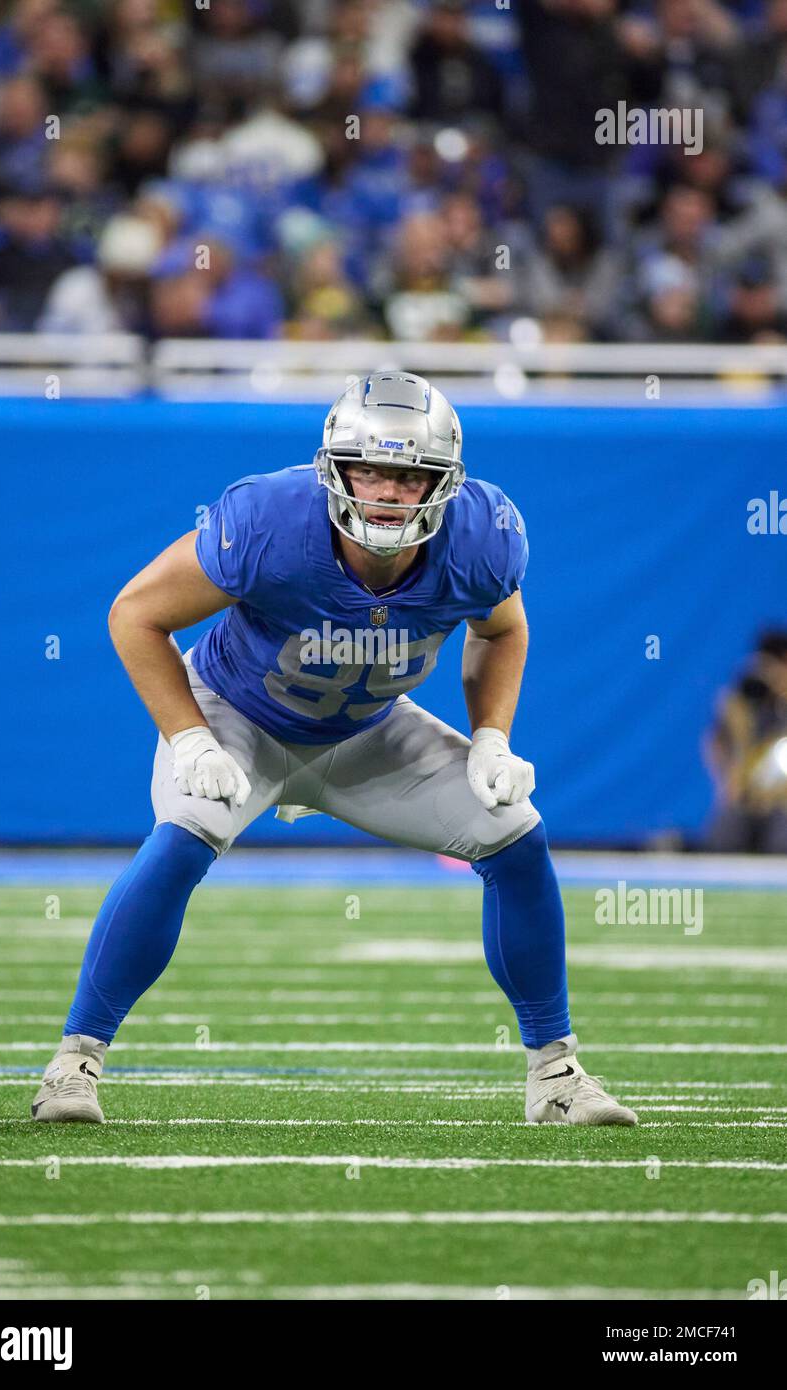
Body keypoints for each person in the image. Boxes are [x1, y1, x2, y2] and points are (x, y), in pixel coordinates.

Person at [31, 372, 637, 1127]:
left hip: (367, 731)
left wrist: (491, 738)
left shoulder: (480, 537)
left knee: (515, 836)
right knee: (184, 837)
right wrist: (189, 737)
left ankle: (556, 1074)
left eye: (410, 474)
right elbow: (134, 614)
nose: (386, 490)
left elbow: (502, 629)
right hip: (239, 719)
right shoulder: (269, 521)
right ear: (334, 470)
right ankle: (74, 1063)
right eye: (370, 469)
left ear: (443, 484)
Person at [704, 629, 787, 852]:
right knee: (723, 841)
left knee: (781, 843)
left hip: (781, 802)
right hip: (743, 797)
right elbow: (714, 742)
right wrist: (723, 781)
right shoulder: (740, 699)